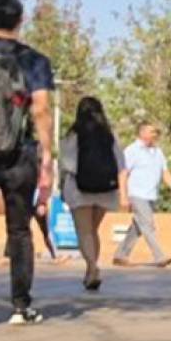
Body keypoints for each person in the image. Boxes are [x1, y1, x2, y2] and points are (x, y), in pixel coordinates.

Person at [0, 0, 55, 324]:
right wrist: (46, 157)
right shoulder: (34, 60)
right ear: (20, 20)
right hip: (19, 156)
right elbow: (42, 109)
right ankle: (21, 306)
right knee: (19, 231)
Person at [59, 97, 125, 291]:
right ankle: (91, 272)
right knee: (93, 231)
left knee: (84, 231)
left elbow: (67, 164)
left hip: (80, 188)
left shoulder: (73, 135)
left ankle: (92, 267)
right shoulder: (110, 135)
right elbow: (121, 164)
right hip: (106, 189)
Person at [113, 122, 171, 267]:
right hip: (136, 194)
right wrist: (123, 195)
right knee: (148, 224)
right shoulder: (132, 151)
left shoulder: (157, 152)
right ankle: (159, 256)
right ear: (142, 133)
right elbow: (123, 173)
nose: (155, 135)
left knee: (138, 227)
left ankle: (121, 255)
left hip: (151, 195)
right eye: (152, 131)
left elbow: (165, 173)